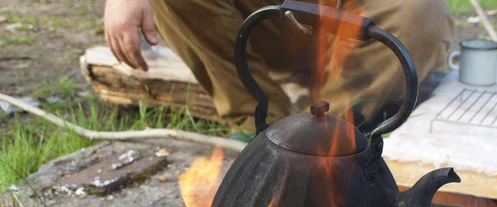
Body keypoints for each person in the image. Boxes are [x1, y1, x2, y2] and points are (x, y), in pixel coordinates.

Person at [104, 0, 455, 129]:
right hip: (273, 19)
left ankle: (331, 137)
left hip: (358, 17)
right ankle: (262, 130)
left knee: (420, 10)